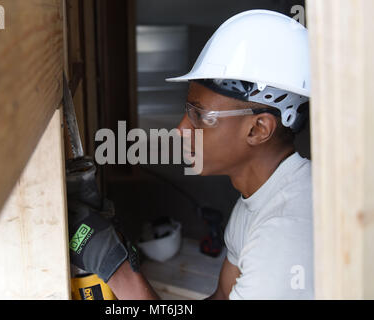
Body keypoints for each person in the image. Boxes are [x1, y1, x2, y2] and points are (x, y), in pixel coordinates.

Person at [68, 9, 314, 300]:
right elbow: (221, 297)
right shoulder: (259, 200)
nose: (181, 129)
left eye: (199, 115)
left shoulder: (284, 234)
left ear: (258, 129)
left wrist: (120, 272)